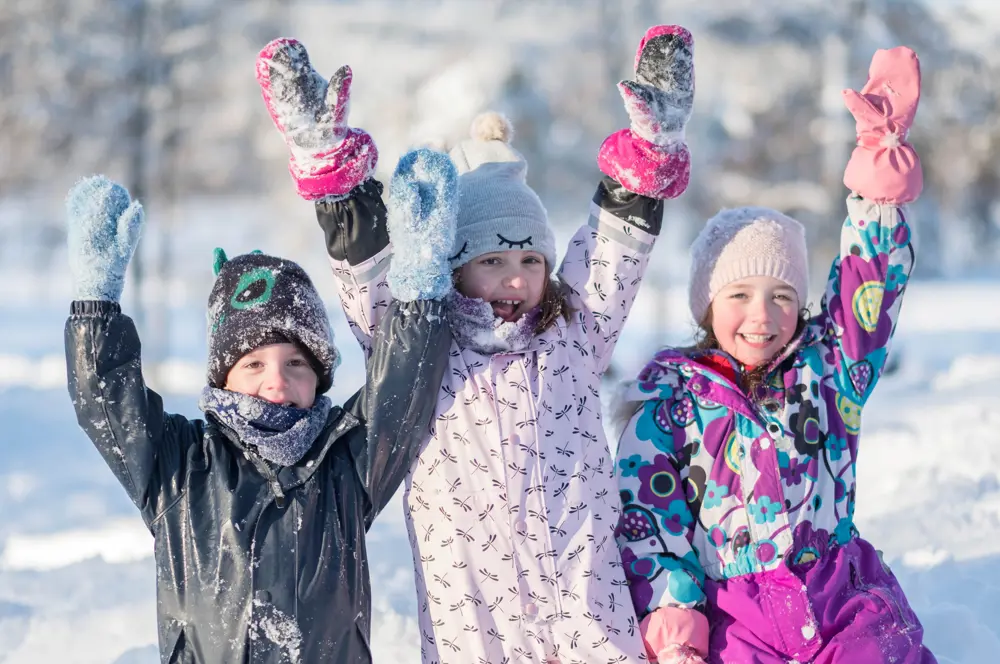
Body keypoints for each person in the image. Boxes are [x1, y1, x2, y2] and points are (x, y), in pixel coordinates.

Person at [256, 25, 694, 663]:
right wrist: (334, 177)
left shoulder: (572, 333)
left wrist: (649, 155)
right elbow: (371, 274)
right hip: (477, 634)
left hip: (586, 623)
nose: (516, 277)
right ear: (455, 266)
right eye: (492, 260)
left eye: (530, 259)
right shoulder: (419, 353)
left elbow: (614, 248)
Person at [613, 46, 936, 663]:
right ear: (706, 306)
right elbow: (650, 529)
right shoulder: (670, 405)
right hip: (736, 610)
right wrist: (677, 622)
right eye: (739, 294)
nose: (761, 315)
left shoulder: (831, 368)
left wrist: (878, 187)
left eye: (781, 295)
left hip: (840, 592)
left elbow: (870, 292)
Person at [63, 157, 454, 663]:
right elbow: (106, 402)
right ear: (223, 375)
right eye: (253, 363)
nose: (277, 380)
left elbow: (405, 387)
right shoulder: (178, 467)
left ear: (319, 376)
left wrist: (420, 293)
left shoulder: (346, 460)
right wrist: (96, 305)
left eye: (296, 362)